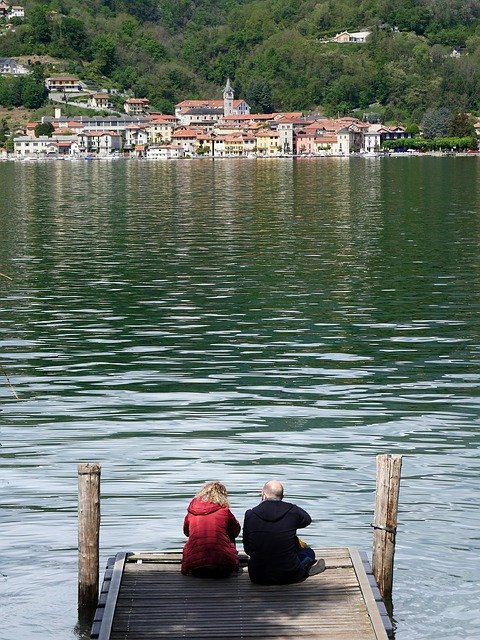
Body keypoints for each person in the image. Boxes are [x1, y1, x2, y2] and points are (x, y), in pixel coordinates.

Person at [242, 479, 325, 585]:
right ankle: (306, 568)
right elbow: (307, 520)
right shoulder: (293, 511)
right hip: (289, 576)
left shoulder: (250, 514)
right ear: (282, 497)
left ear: (263, 495)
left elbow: (248, 549)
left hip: (258, 577)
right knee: (309, 553)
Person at [181, 481, 241, 578]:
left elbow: (186, 532)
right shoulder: (224, 511)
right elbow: (236, 531)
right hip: (222, 567)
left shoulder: (192, 512)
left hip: (196, 568)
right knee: (229, 531)